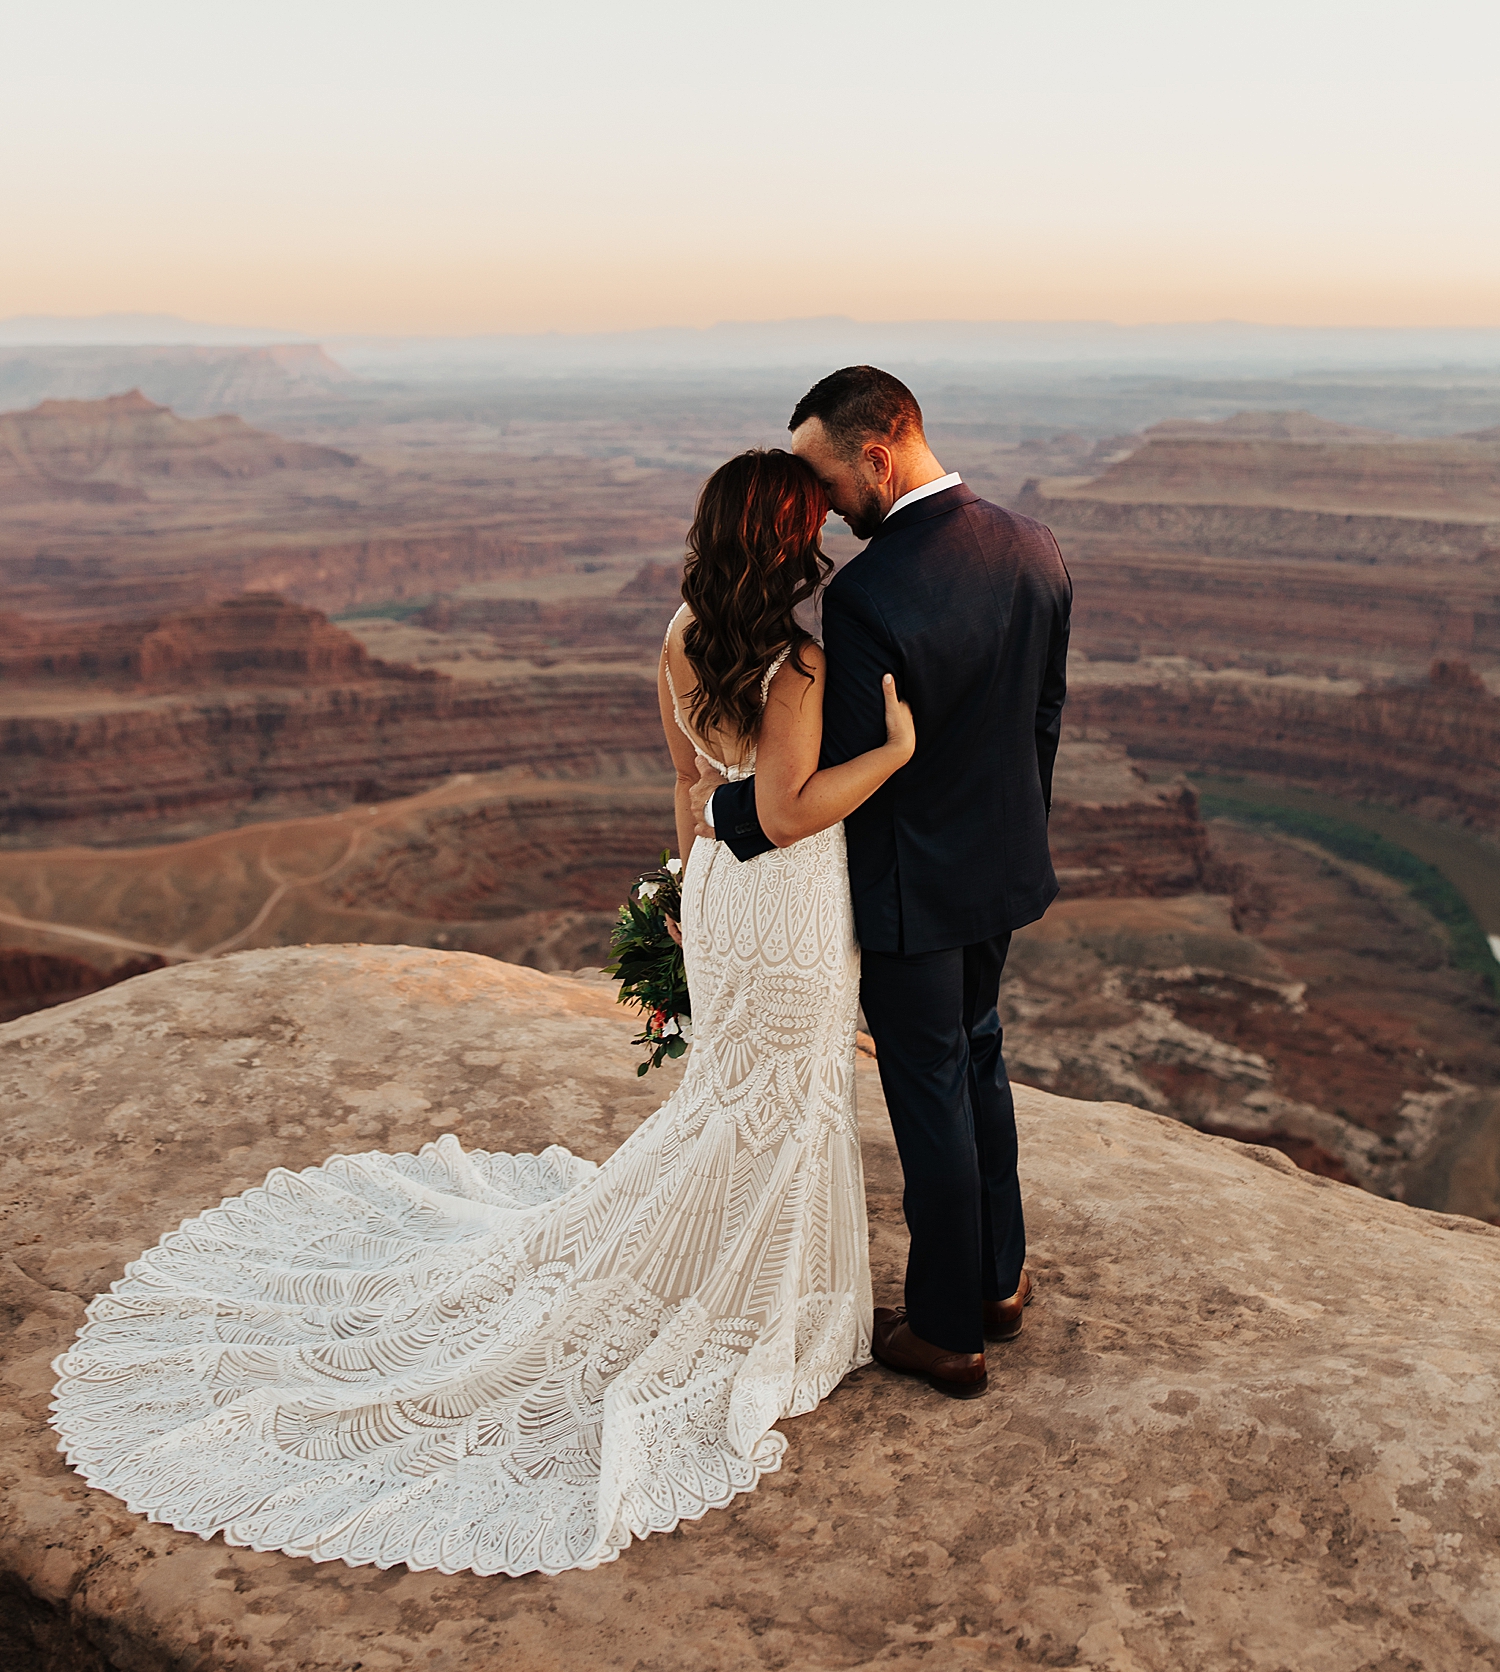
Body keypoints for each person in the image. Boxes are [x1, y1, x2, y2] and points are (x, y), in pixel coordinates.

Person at [51, 448, 914, 1579]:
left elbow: (693, 790)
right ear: (792, 540)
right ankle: (759, 1296)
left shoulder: (678, 636)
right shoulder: (796, 665)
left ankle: (707, 1266)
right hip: (792, 903)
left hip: (721, 888)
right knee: (787, 1096)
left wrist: (691, 892)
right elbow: (795, 813)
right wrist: (894, 752)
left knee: (729, 1090)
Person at [696, 366, 1071, 1399]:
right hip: (1003, 866)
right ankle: (999, 1279)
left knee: (931, 1097)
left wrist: (720, 816)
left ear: (876, 452)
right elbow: (1043, 719)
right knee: (980, 1055)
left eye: (823, 480)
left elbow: (824, 781)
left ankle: (949, 1330)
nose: (819, 507)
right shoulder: (1035, 546)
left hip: (911, 891)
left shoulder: (868, 595)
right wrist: (1013, 840)